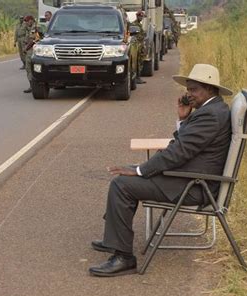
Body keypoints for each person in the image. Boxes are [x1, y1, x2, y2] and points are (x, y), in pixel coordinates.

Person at [89, 64, 233, 277]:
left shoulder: (211, 115)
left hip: (194, 185)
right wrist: (183, 118)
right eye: (188, 89)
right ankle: (115, 239)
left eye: (193, 89)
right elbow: (184, 145)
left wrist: (141, 170)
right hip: (189, 178)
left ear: (209, 89)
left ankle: (124, 257)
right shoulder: (212, 110)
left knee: (122, 184)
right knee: (127, 175)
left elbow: (178, 152)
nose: (189, 94)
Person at [23, 15, 39, 93]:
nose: (26, 23)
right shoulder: (30, 28)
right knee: (29, 68)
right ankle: (32, 86)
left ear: (31, 20)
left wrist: (26, 48)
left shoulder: (34, 28)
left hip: (31, 49)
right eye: (25, 21)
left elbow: (33, 40)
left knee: (29, 68)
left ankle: (33, 86)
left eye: (27, 21)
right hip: (31, 49)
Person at [133, 10, 146, 84]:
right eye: (139, 16)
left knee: (140, 61)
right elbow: (136, 36)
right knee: (138, 62)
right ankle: (137, 77)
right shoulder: (134, 25)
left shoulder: (139, 25)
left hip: (140, 45)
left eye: (141, 16)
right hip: (137, 46)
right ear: (137, 16)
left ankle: (138, 77)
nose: (141, 17)